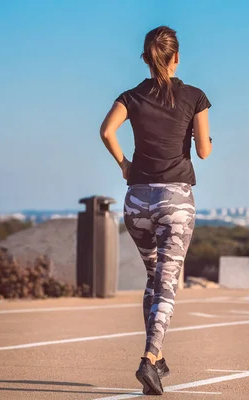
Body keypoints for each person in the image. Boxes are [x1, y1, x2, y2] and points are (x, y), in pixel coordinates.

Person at [99, 25, 212, 395]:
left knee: (154, 278)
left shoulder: (131, 97)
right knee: (166, 283)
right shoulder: (194, 97)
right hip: (175, 200)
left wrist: (124, 165)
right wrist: (202, 137)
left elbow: (106, 131)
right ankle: (148, 359)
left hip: (137, 201)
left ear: (146, 59)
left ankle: (158, 357)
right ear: (177, 57)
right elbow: (204, 152)